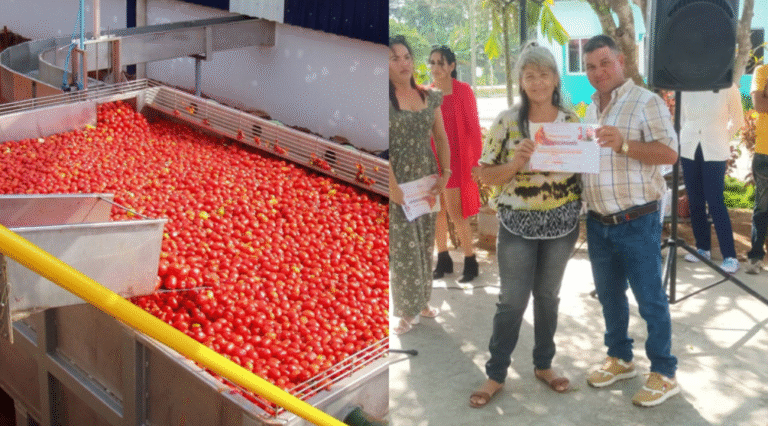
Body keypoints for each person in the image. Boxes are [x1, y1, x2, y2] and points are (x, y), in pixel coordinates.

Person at [468, 42, 581, 408]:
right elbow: (483, 176)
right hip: (517, 223)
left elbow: (585, 170)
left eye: (544, 74)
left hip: (562, 224)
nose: (537, 82)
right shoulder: (507, 121)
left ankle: (544, 365)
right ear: (521, 81)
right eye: (529, 75)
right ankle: (495, 373)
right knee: (512, 301)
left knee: (548, 298)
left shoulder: (570, 123)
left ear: (554, 79)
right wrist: (515, 164)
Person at [581, 35, 679, 407]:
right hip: (598, 220)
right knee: (609, 297)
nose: (598, 72)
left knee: (650, 299)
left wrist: (624, 143)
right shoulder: (590, 109)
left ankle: (665, 372)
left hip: (637, 220)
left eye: (605, 63)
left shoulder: (646, 101)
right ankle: (620, 358)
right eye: (591, 66)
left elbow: (669, 153)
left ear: (620, 61)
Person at [388, 35, 452, 335]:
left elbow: (440, 137)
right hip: (398, 181)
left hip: (425, 180)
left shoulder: (429, 96)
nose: (403, 63)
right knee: (403, 248)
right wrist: (391, 186)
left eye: (406, 56)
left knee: (426, 243)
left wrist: (445, 173)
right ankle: (406, 310)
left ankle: (423, 302)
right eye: (394, 57)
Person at [428, 45, 483, 283]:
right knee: (436, 212)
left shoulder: (463, 91)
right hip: (432, 161)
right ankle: (443, 258)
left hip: (457, 161)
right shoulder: (426, 94)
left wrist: (477, 162)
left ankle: (470, 261)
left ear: (452, 66)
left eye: (441, 63)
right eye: (432, 62)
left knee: (456, 213)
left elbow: (473, 128)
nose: (436, 67)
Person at [679, 85, 744, 273]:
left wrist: (723, 137)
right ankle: (702, 248)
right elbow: (683, 119)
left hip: (715, 150)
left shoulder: (728, 87)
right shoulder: (686, 87)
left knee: (716, 201)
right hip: (689, 148)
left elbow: (738, 120)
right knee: (695, 201)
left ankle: (730, 256)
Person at [746, 63, 768, 274]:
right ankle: (756, 257)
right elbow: (759, 105)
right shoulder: (762, 71)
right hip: (765, 153)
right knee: (762, 208)